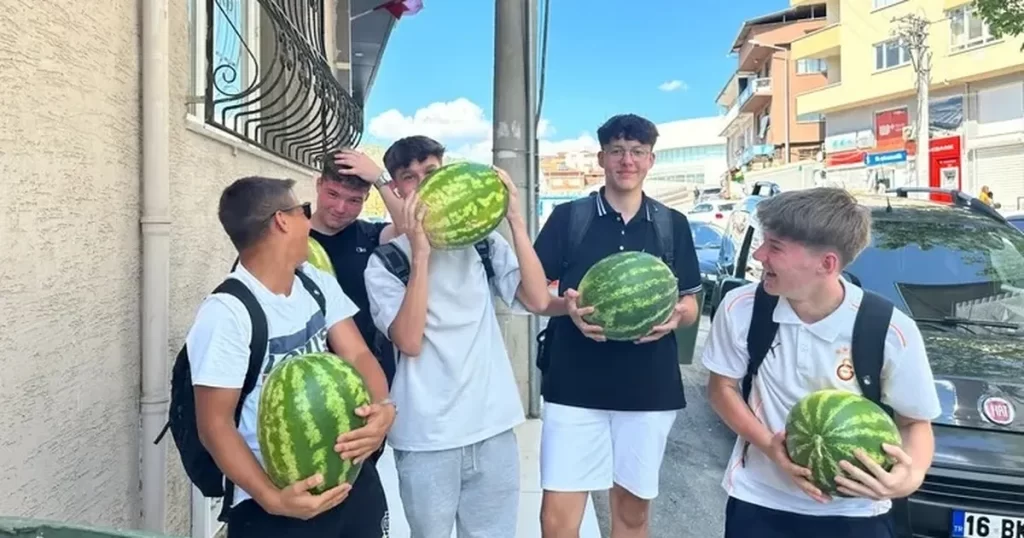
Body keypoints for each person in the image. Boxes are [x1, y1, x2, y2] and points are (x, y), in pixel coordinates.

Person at [702, 188, 941, 538]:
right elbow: (721, 389)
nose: (759, 254)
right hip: (759, 502)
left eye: (775, 247)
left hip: (857, 513)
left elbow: (915, 422)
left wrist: (909, 477)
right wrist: (769, 445)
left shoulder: (889, 329)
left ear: (826, 264)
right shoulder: (742, 308)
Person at [363, 135, 553, 538]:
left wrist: (515, 219)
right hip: (426, 437)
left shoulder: (483, 243)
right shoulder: (385, 263)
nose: (420, 183)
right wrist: (421, 254)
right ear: (397, 189)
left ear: (445, 175)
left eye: (429, 172)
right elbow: (410, 341)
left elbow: (537, 299)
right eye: (408, 177)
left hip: (492, 426)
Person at [186, 176, 396, 538]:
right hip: (275, 506)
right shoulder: (227, 313)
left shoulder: (314, 282)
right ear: (283, 220)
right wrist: (273, 499)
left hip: (352, 480)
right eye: (304, 212)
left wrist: (382, 409)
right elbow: (214, 425)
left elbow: (359, 353)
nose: (309, 222)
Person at [532, 113, 703, 538]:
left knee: (632, 515)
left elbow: (691, 303)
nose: (627, 160)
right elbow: (530, 295)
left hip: (648, 388)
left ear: (650, 160)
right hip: (574, 385)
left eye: (637, 152)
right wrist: (565, 308)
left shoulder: (671, 224)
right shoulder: (570, 219)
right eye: (617, 151)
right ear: (601, 158)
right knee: (556, 517)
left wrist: (676, 317)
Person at [310, 149, 405, 387]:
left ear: (365, 199)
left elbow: (410, 229)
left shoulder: (370, 236)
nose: (340, 208)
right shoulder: (287, 237)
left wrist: (379, 178)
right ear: (319, 184)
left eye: (353, 200)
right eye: (333, 194)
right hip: (310, 378)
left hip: (369, 374)